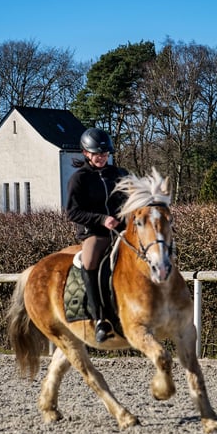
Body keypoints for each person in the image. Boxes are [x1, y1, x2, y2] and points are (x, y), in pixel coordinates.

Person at [66, 127, 128, 342]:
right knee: (90, 262)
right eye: (96, 154)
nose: (101, 158)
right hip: (95, 233)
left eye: (104, 154)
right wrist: (102, 219)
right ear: (86, 153)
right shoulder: (79, 179)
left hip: (123, 230)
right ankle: (100, 319)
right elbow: (73, 212)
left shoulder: (120, 174)